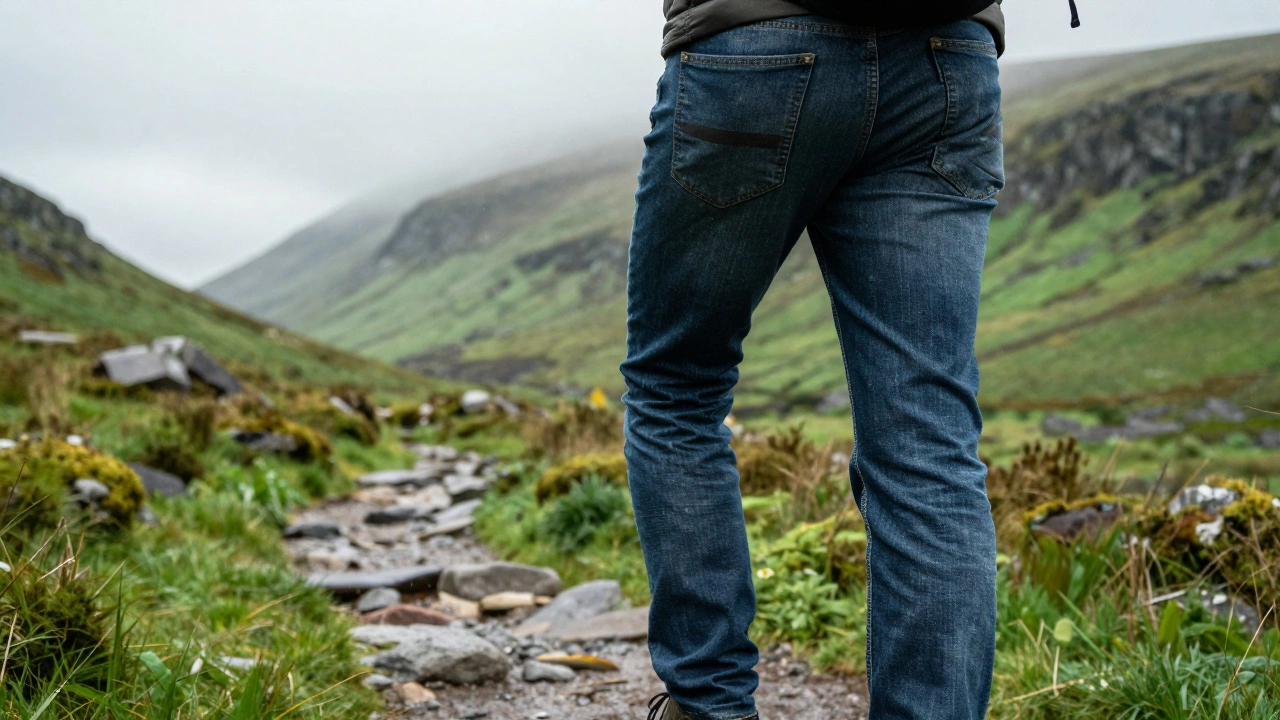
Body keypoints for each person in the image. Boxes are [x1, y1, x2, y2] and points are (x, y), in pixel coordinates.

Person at [621, 2, 1008, 718]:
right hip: (946, 53)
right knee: (927, 437)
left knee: (676, 385)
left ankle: (708, 707)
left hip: (753, 45)